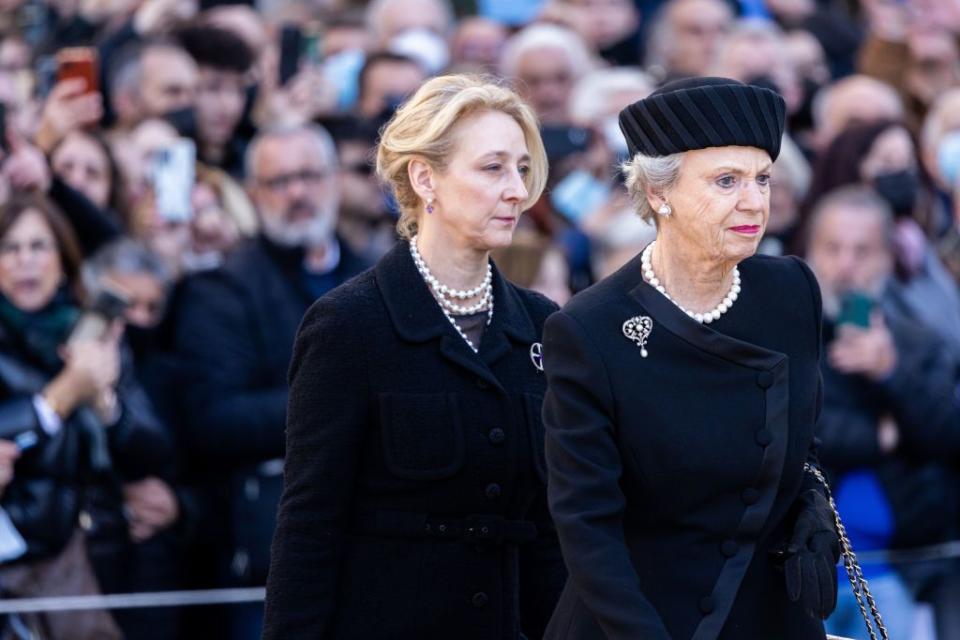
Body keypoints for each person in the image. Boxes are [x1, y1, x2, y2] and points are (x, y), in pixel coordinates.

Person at [263, 74, 567, 639]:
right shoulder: (350, 325)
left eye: (522, 169)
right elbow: (309, 522)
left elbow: (548, 527)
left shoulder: (542, 326)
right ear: (426, 178)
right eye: (493, 167)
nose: (516, 190)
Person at [542, 77, 839, 639]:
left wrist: (813, 509)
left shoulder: (791, 290)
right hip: (637, 620)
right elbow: (587, 529)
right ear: (660, 194)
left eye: (762, 179)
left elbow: (803, 440)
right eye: (726, 180)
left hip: (765, 615)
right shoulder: (588, 330)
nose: (754, 201)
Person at [172, 123, 368, 640]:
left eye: (307, 175)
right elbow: (214, 419)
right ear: (254, 193)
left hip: (376, 536)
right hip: (269, 550)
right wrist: (341, 403)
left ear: (333, 180)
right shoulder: (220, 288)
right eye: (278, 181)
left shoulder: (380, 272)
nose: (297, 193)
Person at [0, 193, 175, 638]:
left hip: (102, 552)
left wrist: (106, 405)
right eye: (11, 248)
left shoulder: (91, 336)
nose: (26, 262)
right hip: (20, 563)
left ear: (62, 258)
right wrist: (60, 396)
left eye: (40, 247)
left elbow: (155, 447)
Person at [804, 186, 960, 640]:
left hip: (906, 570)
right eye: (831, 248)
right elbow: (800, 430)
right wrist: (882, 437)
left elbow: (948, 436)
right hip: (806, 569)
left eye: (862, 251)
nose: (845, 266)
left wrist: (891, 373)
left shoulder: (917, 343)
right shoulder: (788, 340)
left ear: (888, 259)